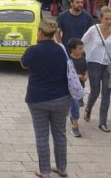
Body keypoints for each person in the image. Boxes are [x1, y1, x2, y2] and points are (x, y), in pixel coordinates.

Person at [20, 19, 71, 178]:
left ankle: (45, 171)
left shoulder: (33, 50)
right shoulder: (61, 50)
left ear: (41, 33)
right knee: (60, 134)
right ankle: (62, 168)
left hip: (38, 98)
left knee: (41, 135)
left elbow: (23, 64)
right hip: (61, 97)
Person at [82, 7, 111, 132]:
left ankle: (103, 122)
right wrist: (81, 62)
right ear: (100, 18)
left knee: (107, 93)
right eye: (106, 19)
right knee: (95, 90)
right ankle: (88, 108)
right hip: (94, 63)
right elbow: (82, 43)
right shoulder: (93, 30)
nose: (109, 21)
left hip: (109, 65)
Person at [67, 38, 88, 138]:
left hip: (80, 88)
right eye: (79, 48)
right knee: (75, 106)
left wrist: (86, 75)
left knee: (78, 105)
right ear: (72, 49)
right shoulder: (68, 60)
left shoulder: (83, 58)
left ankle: (73, 117)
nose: (82, 50)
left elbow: (86, 69)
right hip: (71, 89)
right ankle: (75, 127)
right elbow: (68, 74)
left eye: (82, 48)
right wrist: (77, 76)